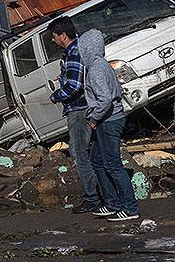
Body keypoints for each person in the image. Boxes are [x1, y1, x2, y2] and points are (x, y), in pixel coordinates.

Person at [78, 29, 139, 222]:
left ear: (86, 48)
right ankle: (112, 202)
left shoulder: (96, 68)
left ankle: (130, 207)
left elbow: (105, 99)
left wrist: (93, 118)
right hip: (110, 118)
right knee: (97, 160)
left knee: (112, 164)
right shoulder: (101, 65)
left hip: (108, 120)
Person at [48, 16, 100, 214]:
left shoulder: (73, 52)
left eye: (54, 36)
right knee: (91, 152)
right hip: (86, 108)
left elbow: (75, 85)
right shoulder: (79, 49)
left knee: (80, 153)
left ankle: (92, 198)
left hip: (78, 110)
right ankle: (99, 193)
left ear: (63, 35)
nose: (53, 41)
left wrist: (57, 95)